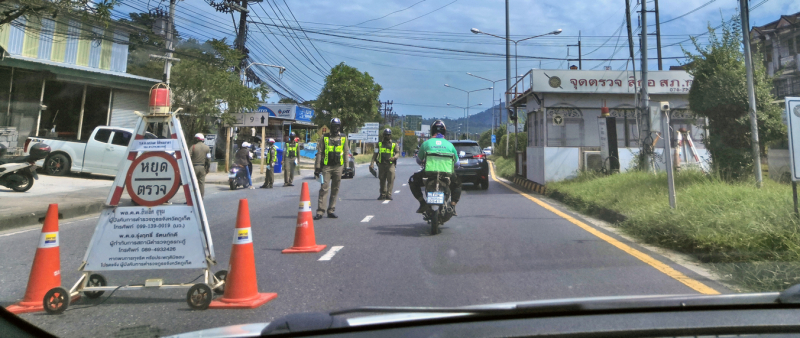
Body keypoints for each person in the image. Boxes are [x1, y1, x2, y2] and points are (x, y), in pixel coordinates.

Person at [408, 120, 462, 215]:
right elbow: (457, 164)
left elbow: (418, 161)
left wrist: (424, 161)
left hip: (429, 173)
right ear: (444, 131)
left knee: (412, 180)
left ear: (432, 131)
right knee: (457, 184)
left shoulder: (426, 143)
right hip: (447, 173)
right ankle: (452, 206)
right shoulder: (449, 145)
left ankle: (422, 203)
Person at [314, 117, 349, 220]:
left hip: (339, 167)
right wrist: (317, 167)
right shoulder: (324, 137)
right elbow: (320, 152)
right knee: (324, 188)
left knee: (335, 189)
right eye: (334, 126)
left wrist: (347, 166)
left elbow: (346, 152)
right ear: (331, 126)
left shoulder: (343, 138)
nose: (335, 128)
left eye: (337, 126)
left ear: (339, 127)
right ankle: (320, 211)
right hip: (327, 167)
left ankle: (331, 210)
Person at [370, 128, 399, 200]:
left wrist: (394, 157)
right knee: (382, 179)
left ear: (390, 135)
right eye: (386, 135)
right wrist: (372, 163)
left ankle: (388, 194)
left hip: (391, 165)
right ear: (383, 135)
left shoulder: (394, 144)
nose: (387, 136)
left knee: (391, 179)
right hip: (382, 164)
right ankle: (382, 194)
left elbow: (398, 153)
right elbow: (375, 154)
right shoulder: (379, 144)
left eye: (388, 135)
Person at [190, 133, 211, 198]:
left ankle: (192, 198)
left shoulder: (193, 147)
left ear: (197, 139)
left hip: (194, 167)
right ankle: (200, 198)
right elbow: (208, 159)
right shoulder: (207, 148)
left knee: (192, 183)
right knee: (201, 183)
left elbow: (188, 156)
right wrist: (207, 168)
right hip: (202, 167)